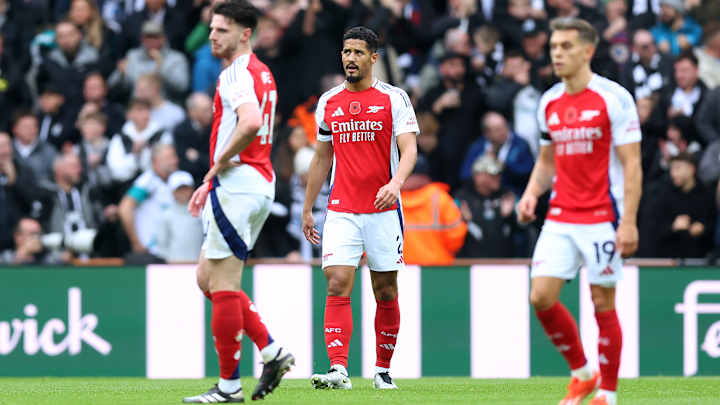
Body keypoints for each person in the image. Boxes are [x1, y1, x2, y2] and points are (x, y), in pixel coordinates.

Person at [516, 18, 642, 405]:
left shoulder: (613, 98)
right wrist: (531, 192)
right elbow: (546, 160)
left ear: (588, 51)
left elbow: (632, 163)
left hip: (603, 215)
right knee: (540, 297)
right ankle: (583, 373)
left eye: (566, 46)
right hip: (559, 216)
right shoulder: (549, 101)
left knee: (602, 302)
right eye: (554, 46)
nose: (557, 53)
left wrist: (630, 222)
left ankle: (608, 392)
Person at [183, 1, 294, 402]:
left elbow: (248, 122)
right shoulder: (262, 72)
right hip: (254, 182)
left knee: (225, 283)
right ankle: (271, 349)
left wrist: (218, 164)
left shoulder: (235, 74)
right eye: (212, 29)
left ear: (245, 33)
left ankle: (229, 385)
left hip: (238, 184)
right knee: (207, 279)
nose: (213, 36)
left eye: (222, 30)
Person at [302, 26, 419, 390]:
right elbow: (322, 158)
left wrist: (395, 184)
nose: (350, 58)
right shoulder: (329, 101)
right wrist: (308, 209)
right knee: (337, 283)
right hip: (341, 209)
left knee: (385, 289)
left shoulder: (394, 98)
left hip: (384, 210)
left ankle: (383, 370)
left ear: (373, 58)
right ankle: (338, 369)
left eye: (357, 52)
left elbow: (410, 149)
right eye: (345, 51)